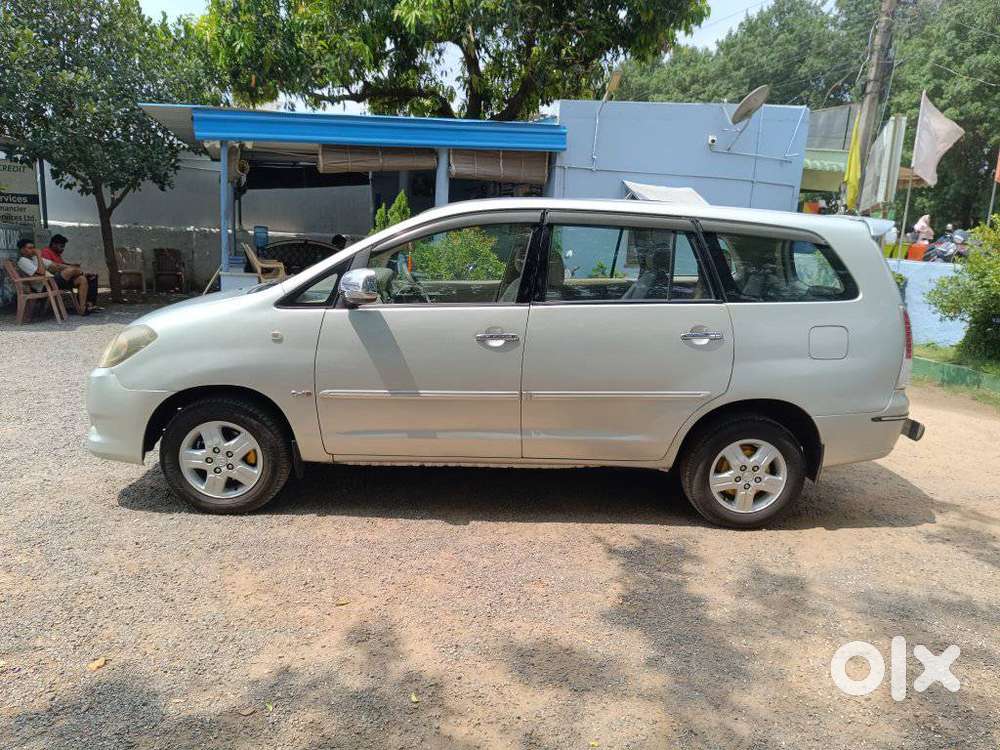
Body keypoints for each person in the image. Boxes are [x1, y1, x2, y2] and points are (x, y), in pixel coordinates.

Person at [16, 238, 93, 315]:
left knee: (81, 279)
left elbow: (55, 265)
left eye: (33, 247)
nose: (33, 250)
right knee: (72, 271)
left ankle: (82, 308)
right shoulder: (22, 261)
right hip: (44, 285)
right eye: (30, 248)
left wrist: (70, 267)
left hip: (52, 282)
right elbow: (42, 273)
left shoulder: (34, 258)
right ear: (22, 250)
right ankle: (84, 273)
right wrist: (39, 255)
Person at [41, 234, 100, 309]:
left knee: (91, 277)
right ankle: (84, 304)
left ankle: (88, 304)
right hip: (55, 280)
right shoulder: (46, 252)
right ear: (54, 244)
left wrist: (72, 265)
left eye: (63, 247)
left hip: (66, 278)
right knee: (84, 275)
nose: (63, 249)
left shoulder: (57, 254)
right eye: (61, 246)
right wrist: (71, 268)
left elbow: (62, 264)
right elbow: (53, 267)